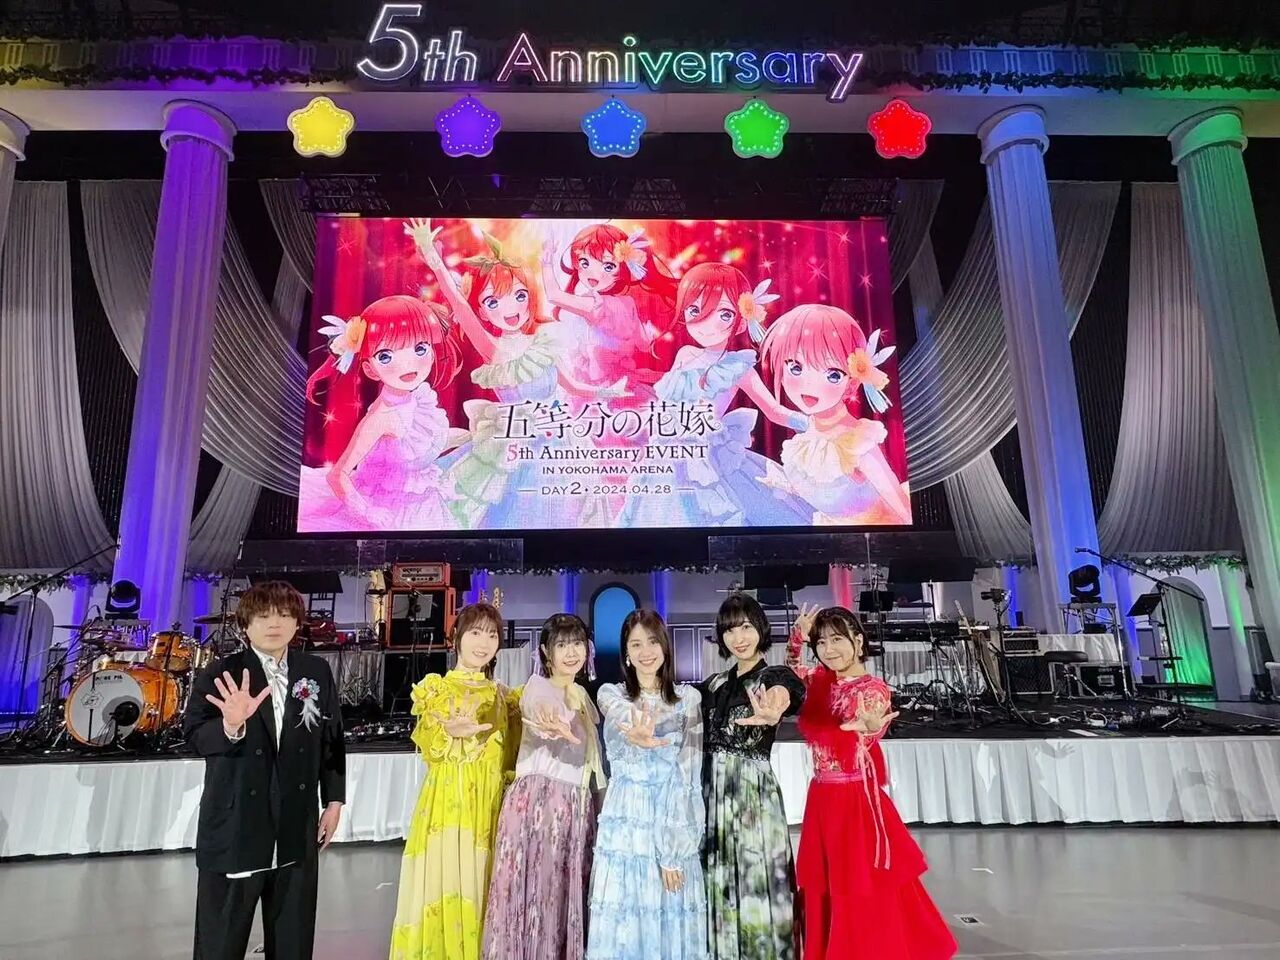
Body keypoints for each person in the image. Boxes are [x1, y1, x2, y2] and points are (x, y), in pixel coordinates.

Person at [183, 580, 345, 960]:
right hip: (236, 824)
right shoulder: (222, 673)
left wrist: (334, 800)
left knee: (293, 939)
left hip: (295, 823)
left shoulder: (315, 670)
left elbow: (332, 738)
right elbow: (194, 736)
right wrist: (230, 725)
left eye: (285, 615)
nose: (275, 623)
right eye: (264, 615)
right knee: (220, 943)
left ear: (297, 623)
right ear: (245, 624)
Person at [787, 605, 956, 960]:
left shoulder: (872, 689)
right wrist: (798, 636)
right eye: (821, 642)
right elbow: (792, 669)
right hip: (822, 796)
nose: (829, 649)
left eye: (837, 640)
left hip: (853, 799)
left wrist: (869, 727)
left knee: (859, 882)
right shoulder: (821, 681)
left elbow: (872, 725)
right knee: (826, 881)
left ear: (859, 641)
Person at [389, 601, 518, 960]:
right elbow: (429, 746)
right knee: (448, 883)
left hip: (489, 808)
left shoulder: (504, 696)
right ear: (456, 637)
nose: (483, 643)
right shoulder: (436, 689)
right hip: (449, 808)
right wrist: (449, 732)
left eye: (491, 635)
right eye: (475, 633)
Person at [482, 613, 605, 960]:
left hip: (575, 805)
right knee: (538, 891)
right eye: (562, 645)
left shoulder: (582, 695)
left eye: (577, 643)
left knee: (560, 893)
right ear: (546, 652)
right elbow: (538, 710)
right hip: (541, 804)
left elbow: (593, 763)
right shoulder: (538, 686)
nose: (571, 652)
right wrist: (551, 722)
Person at [587, 609, 707, 960]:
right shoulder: (612, 694)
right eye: (635, 644)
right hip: (625, 823)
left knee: (669, 904)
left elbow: (688, 774)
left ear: (665, 647)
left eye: (652, 642)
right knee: (625, 916)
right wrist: (636, 727)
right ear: (626, 652)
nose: (645, 651)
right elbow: (616, 710)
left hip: (669, 816)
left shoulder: (688, 701)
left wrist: (673, 850)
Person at [701, 593, 806, 959]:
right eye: (730, 630)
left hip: (751, 796)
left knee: (757, 878)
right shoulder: (714, 684)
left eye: (745, 627)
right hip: (712, 796)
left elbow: (787, 687)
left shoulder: (771, 676)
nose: (738, 638)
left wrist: (778, 700)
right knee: (719, 881)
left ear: (760, 628)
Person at [758, 304, 912, 525]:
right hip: (828, 532)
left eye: (833, 375)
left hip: (874, 532)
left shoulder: (857, 442)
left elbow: (900, 506)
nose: (809, 384)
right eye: (795, 368)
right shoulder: (807, 433)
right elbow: (775, 412)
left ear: (852, 383)